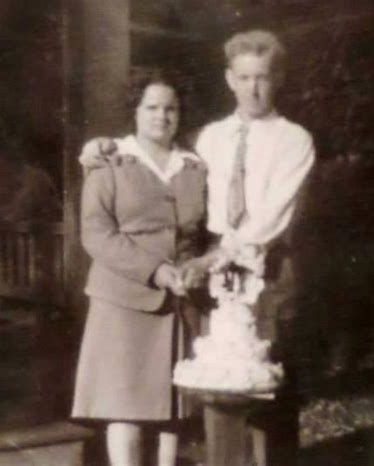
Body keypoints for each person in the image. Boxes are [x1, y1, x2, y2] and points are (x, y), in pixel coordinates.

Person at [80, 29, 315, 466]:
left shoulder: (294, 140)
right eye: (244, 77)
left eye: (263, 76)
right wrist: (99, 146)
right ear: (229, 80)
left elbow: (269, 220)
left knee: (265, 390)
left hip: (265, 270)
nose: (254, 88)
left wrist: (212, 259)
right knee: (214, 389)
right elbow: (153, 158)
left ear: (278, 78)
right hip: (211, 275)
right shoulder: (209, 139)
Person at [71, 69, 211, 466]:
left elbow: (205, 233)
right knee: (125, 406)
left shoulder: (195, 167)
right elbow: (96, 234)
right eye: (151, 107)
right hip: (121, 301)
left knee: (173, 406)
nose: (161, 117)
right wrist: (155, 270)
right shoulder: (109, 161)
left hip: (181, 299)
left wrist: (196, 267)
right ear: (135, 110)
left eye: (171, 109)